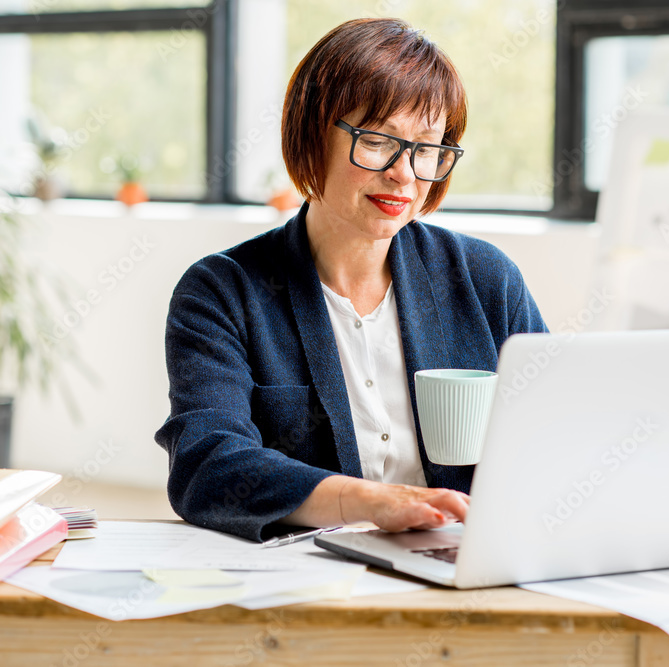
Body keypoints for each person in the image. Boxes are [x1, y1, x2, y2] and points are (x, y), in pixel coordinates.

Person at [155, 18, 547, 542]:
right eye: (379, 140)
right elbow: (208, 467)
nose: (405, 174)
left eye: (427, 147)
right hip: (308, 574)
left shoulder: (483, 278)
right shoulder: (223, 292)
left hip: (463, 559)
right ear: (311, 132)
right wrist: (369, 503)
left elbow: (555, 429)